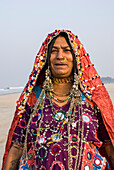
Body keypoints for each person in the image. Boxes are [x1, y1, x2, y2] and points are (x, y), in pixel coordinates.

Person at [2, 29, 114, 170]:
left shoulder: (92, 100)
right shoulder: (34, 99)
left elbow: (108, 145)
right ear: (47, 58)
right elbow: (17, 146)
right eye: (54, 51)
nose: (60, 56)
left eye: (66, 50)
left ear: (76, 57)